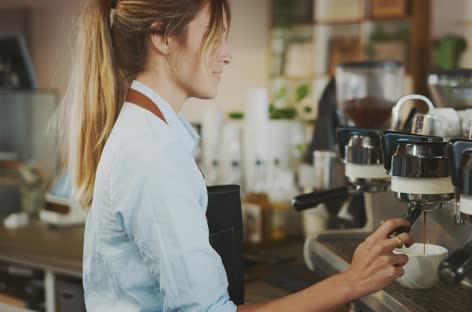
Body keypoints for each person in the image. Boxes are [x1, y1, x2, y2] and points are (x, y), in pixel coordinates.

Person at [60, 0, 414, 311]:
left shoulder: (149, 135)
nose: (227, 53)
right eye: (216, 35)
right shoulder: (152, 155)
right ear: (163, 36)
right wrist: (351, 282)